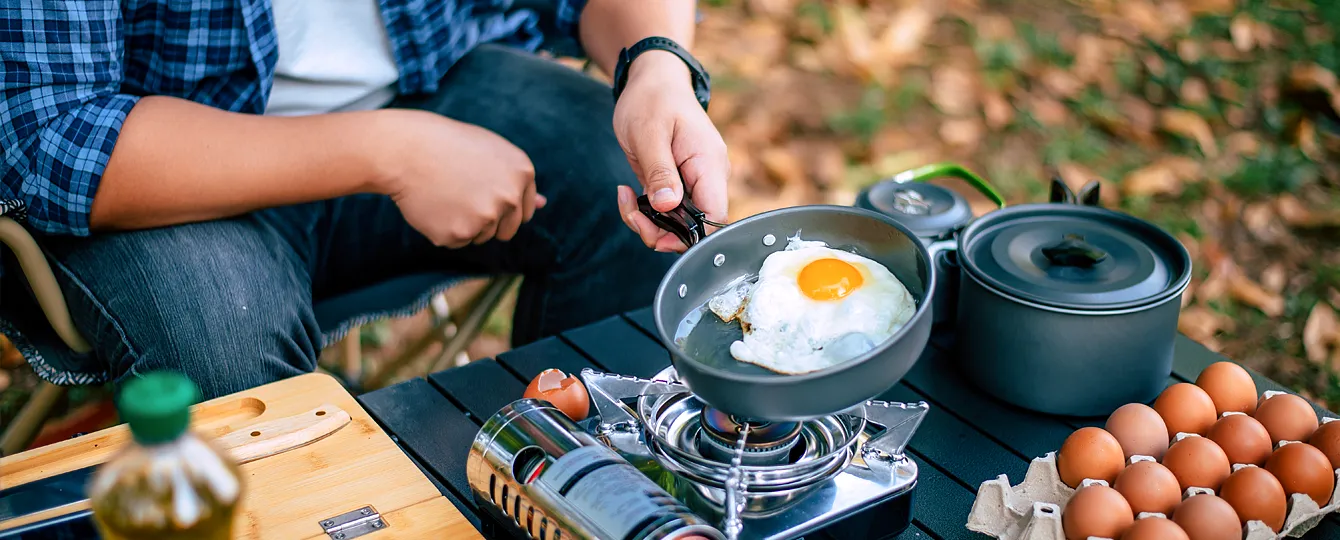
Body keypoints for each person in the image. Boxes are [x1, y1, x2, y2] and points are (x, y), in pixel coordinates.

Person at [0, 0, 730, 399]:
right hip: (172, 171)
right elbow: (53, 135)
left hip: (425, 85)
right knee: (224, 357)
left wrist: (657, 66)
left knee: (625, 195)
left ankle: (579, 484)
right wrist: (394, 153)